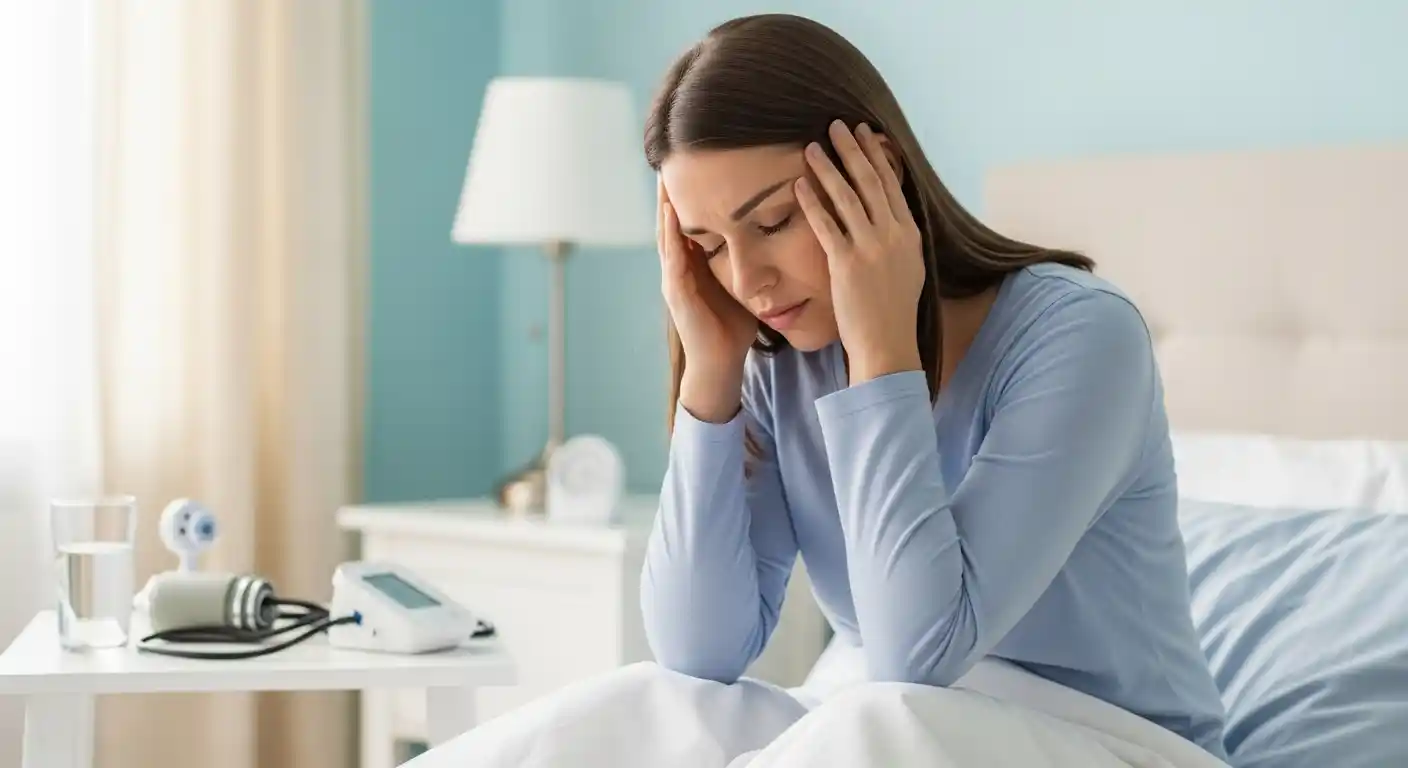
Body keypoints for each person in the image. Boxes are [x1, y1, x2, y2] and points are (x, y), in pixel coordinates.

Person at [406, 13, 1230, 768]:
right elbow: (699, 651)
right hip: (895, 724)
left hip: (1113, 745)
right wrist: (710, 374)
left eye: (771, 224)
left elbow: (917, 653)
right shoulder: (783, 358)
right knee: (643, 702)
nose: (747, 278)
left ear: (877, 178)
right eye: (707, 245)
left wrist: (881, 350)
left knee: (868, 720)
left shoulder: (1081, 338)